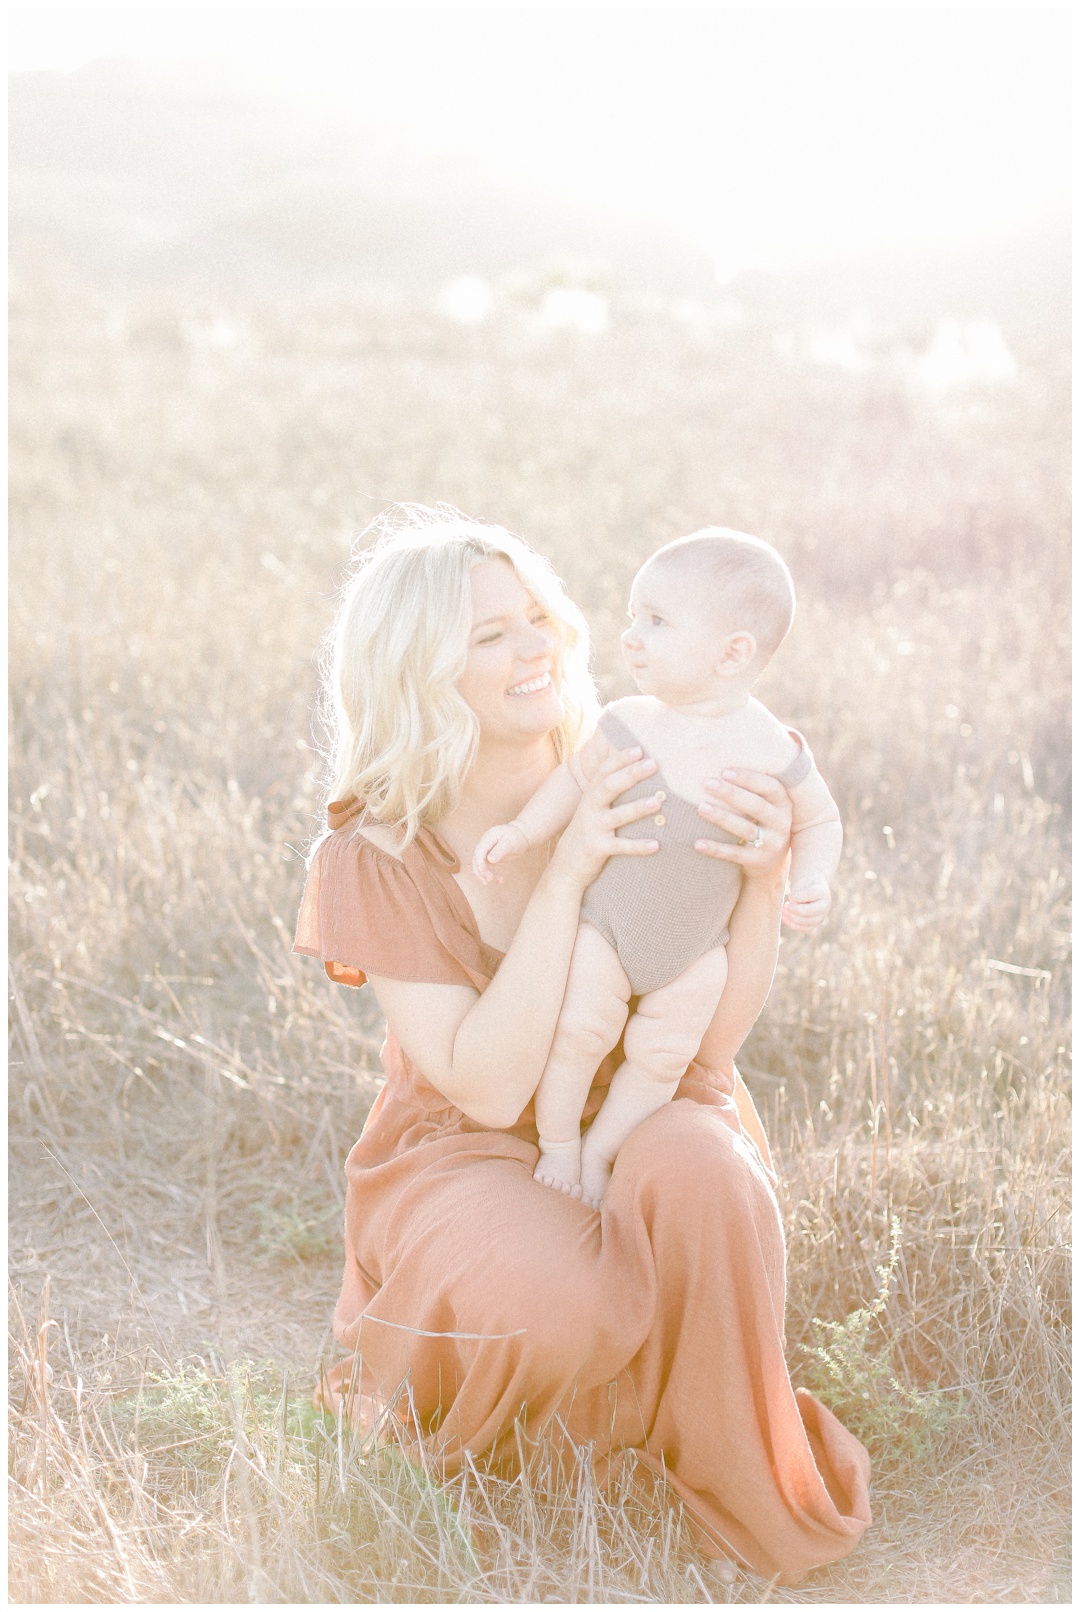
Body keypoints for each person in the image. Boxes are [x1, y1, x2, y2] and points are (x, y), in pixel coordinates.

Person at [293, 507, 871, 1585]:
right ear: (418, 671)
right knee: (560, 1300)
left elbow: (717, 1037)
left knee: (709, 1179)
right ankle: (539, 1452)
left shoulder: (641, 748)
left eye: (538, 619)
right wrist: (565, 873)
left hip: (639, 1097)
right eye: (491, 636)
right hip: (462, 1142)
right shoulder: (372, 849)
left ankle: (699, 1446)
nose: (538, 649)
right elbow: (487, 1079)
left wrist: (760, 882)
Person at [471, 529, 842, 1207]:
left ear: (733, 654)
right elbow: (572, 783)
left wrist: (811, 878)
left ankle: (604, 1149)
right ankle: (558, 1142)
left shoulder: (770, 746)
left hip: (697, 951)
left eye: (658, 622)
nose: (631, 638)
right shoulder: (630, 720)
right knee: (578, 1029)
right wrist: (523, 831)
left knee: (663, 1057)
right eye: (633, 618)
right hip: (608, 927)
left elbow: (820, 819)